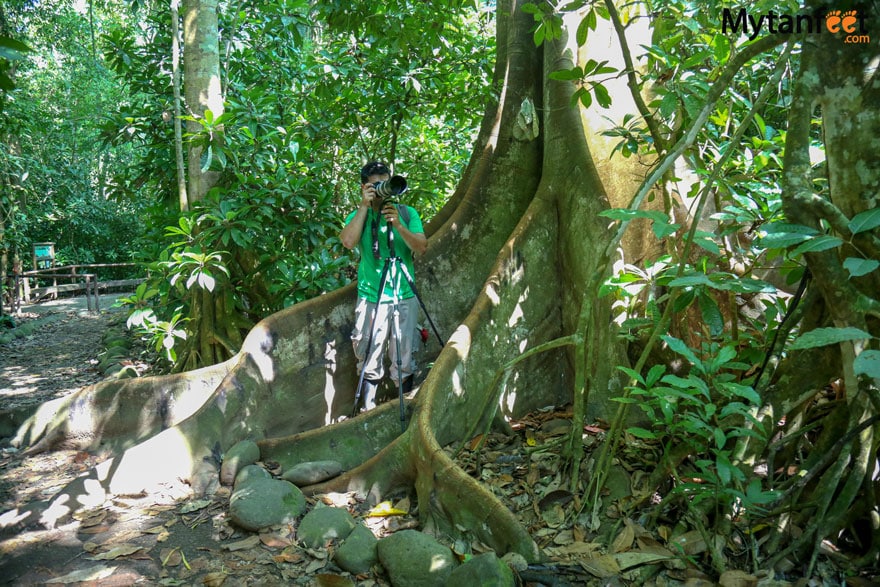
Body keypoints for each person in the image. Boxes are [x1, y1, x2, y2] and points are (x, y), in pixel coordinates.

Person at [340, 161, 427, 411]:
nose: (382, 190)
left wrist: (398, 224)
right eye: (375, 185)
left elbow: (421, 247)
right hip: (372, 297)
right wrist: (364, 207)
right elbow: (347, 241)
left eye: (385, 183)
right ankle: (367, 411)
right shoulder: (360, 216)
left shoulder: (407, 214)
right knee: (368, 355)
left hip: (404, 295)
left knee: (405, 356)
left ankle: (406, 409)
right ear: (364, 187)